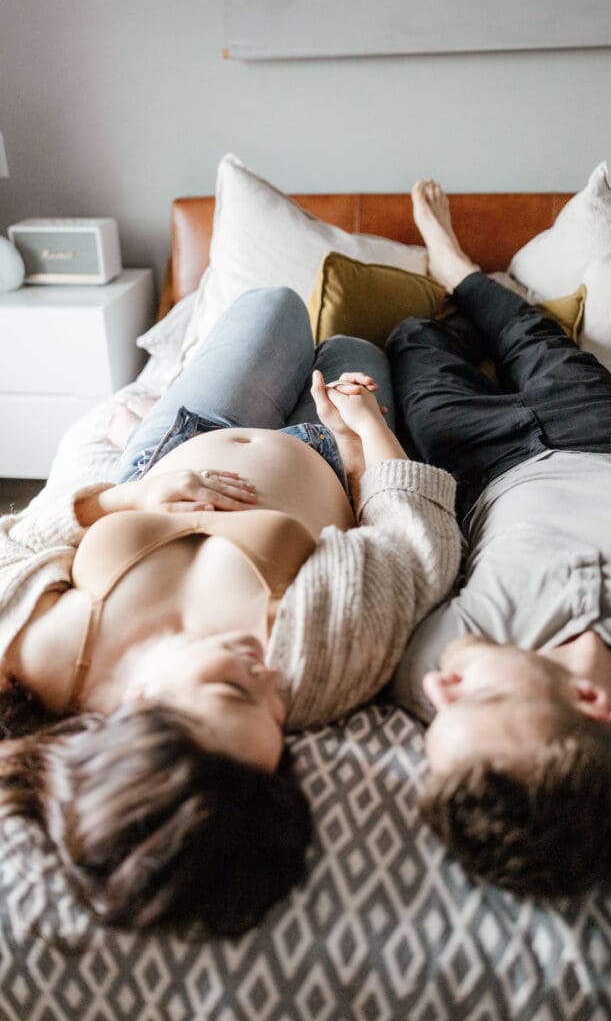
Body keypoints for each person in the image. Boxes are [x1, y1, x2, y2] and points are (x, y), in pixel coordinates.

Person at [0, 285, 460, 934]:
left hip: (167, 451)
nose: (267, 681)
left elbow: (20, 533)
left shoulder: (34, 655)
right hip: (328, 454)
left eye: (231, 690)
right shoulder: (308, 666)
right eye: (272, 712)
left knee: (275, 305)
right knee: (356, 345)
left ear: (134, 710)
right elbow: (413, 544)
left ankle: (137, 427)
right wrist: (366, 435)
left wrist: (131, 498)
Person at [387, 180, 611, 898]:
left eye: (436, 716)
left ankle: (449, 303)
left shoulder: (442, 661)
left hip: (486, 470)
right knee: (533, 339)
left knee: (410, 344)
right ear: (590, 704)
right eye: (475, 702)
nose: (436, 688)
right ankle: (458, 267)